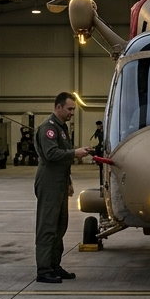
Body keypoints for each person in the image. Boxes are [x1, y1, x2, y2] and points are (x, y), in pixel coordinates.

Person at [34, 92, 92, 283]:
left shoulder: (62, 128)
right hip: (49, 183)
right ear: (58, 107)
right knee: (47, 226)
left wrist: (68, 181)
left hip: (59, 182)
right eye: (70, 109)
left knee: (60, 225)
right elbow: (51, 154)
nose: (72, 112)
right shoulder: (48, 129)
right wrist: (74, 153)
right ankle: (43, 269)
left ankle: (54, 265)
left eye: (73, 109)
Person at [90, 119, 106, 187]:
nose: (98, 127)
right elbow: (95, 140)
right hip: (99, 149)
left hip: (102, 149)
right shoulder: (97, 132)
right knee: (101, 168)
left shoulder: (104, 132)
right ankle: (101, 183)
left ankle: (103, 182)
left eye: (98, 126)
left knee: (103, 168)